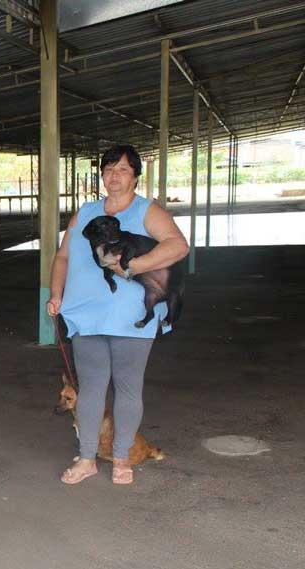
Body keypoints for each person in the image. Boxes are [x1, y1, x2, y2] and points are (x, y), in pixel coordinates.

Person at [48, 144, 189, 486]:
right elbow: (64, 256)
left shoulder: (146, 211)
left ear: (135, 177)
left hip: (130, 319)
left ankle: (122, 456)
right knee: (92, 389)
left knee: (127, 389)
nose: (115, 175)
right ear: (102, 175)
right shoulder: (86, 212)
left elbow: (178, 245)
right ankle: (87, 458)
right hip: (86, 315)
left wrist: (134, 266)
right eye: (109, 169)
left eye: (123, 170)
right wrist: (56, 293)